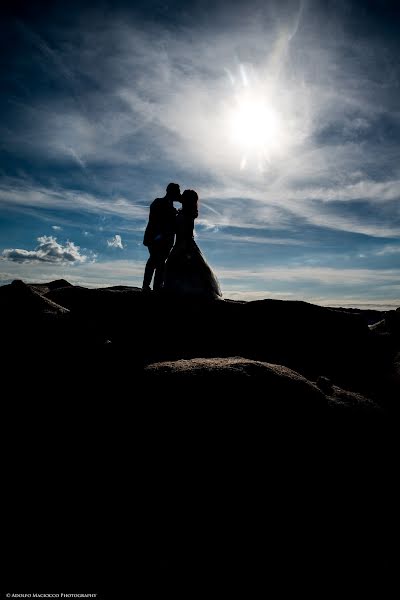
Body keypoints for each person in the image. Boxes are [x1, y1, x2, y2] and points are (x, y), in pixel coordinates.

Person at [163, 189, 222, 299]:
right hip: (182, 243)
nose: (181, 197)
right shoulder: (184, 212)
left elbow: (188, 232)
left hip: (184, 243)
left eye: (184, 197)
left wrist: (184, 246)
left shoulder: (188, 214)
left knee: (179, 267)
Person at [142, 182, 181, 292]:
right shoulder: (158, 202)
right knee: (154, 260)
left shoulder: (171, 207)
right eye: (177, 192)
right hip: (156, 238)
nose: (178, 194)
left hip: (166, 241)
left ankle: (156, 287)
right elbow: (155, 221)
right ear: (171, 192)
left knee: (160, 263)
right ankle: (147, 286)